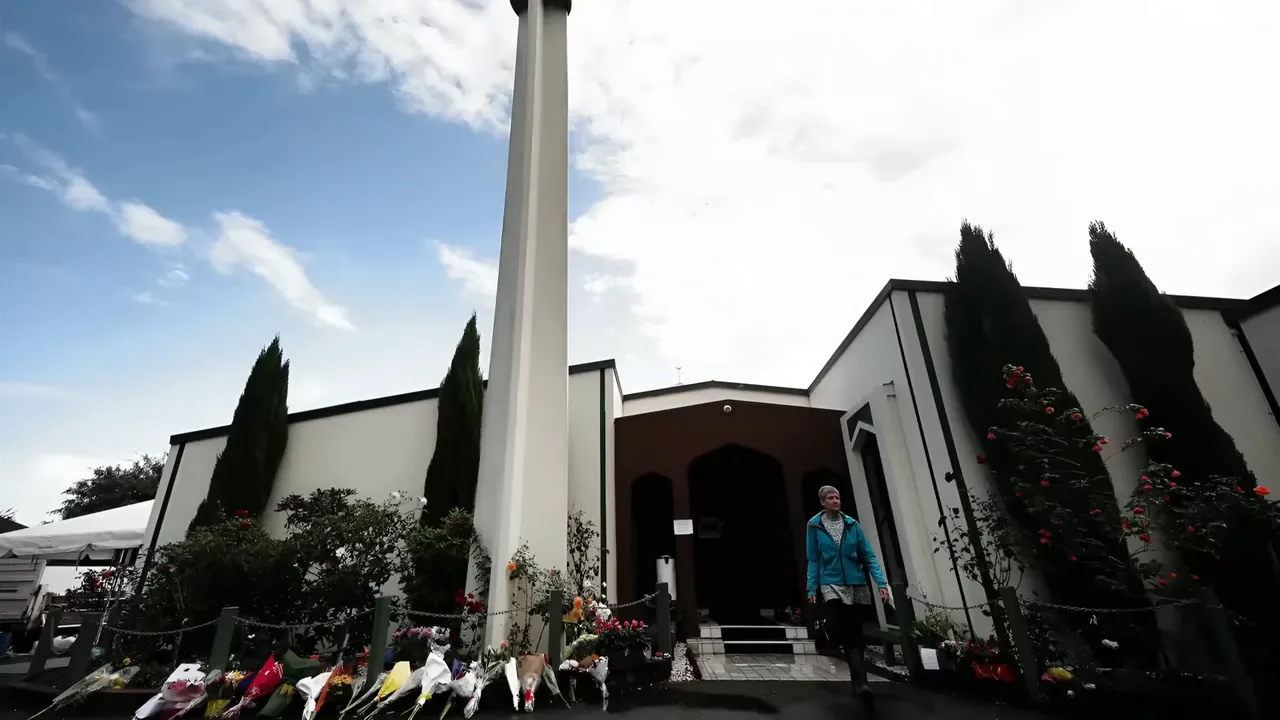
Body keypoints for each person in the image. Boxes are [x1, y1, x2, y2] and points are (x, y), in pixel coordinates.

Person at [806, 485, 889, 707]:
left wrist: (881, 583)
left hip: (856, 583)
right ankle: (861, 682)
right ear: (823, 502)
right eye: (831, 498)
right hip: (830, 584)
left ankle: (859, 682)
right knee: (843, 625)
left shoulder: (852, 525)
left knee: (854, 632)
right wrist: (811, 588)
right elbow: (813, 559)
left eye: (837, 497)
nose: (835, 500)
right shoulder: (814, 526)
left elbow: (868, 555)